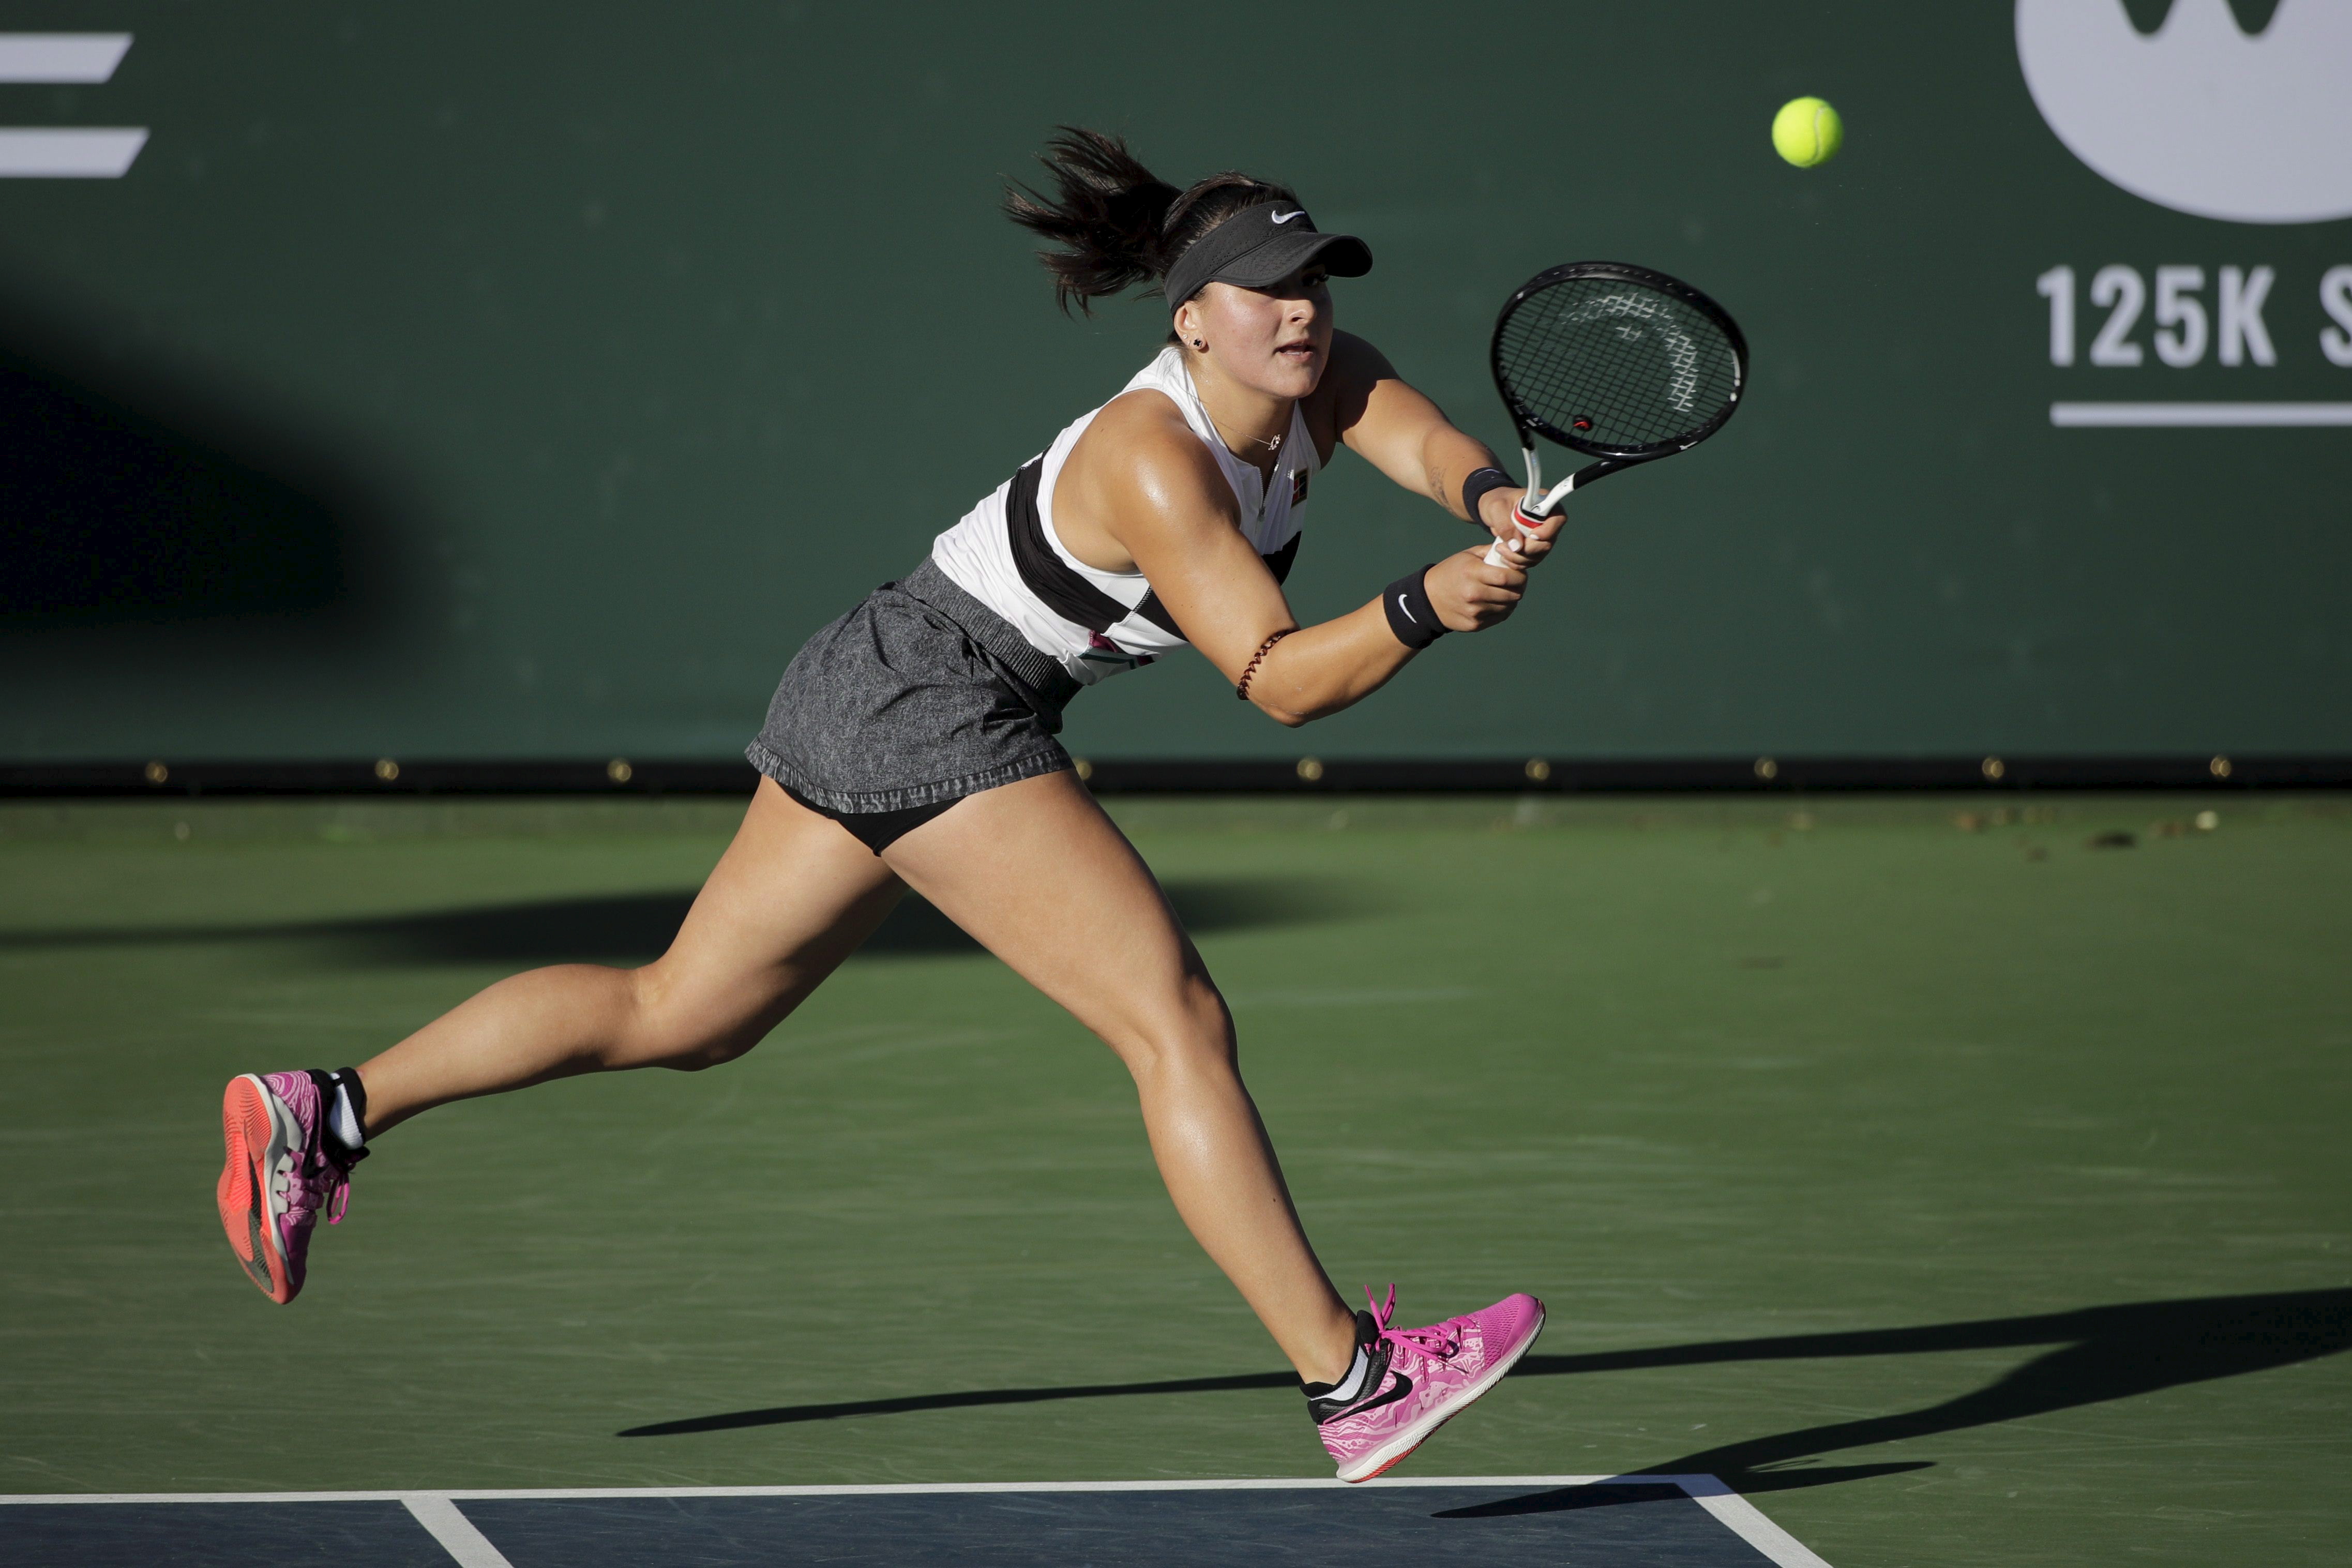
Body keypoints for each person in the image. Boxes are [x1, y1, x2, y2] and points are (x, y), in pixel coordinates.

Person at [216, 127, 1561, 1483]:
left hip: (876, 679)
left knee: (682, 1013)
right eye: (1265, 288)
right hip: (933, 696)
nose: (1300, 309)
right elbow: (1276, 680)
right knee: (1175, 1023)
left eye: (1312, 279)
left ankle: (327, 1111)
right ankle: (1354, 1383)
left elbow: (1419, 439)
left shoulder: (1322, 376)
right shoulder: (1155, 456)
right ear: (1191, 321)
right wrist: (1422, 605)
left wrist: (1492, 497)